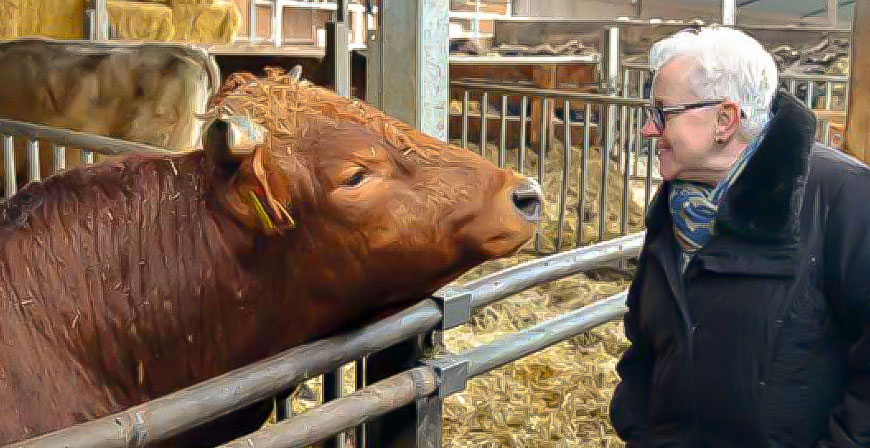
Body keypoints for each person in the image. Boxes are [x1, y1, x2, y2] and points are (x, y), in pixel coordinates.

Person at [609, 26, 870, 447]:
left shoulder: (842, 195)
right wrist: (638, 427)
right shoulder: (679, 207)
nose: (648, 130)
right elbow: (647, 343)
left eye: (663, 112)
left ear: (725, 119)